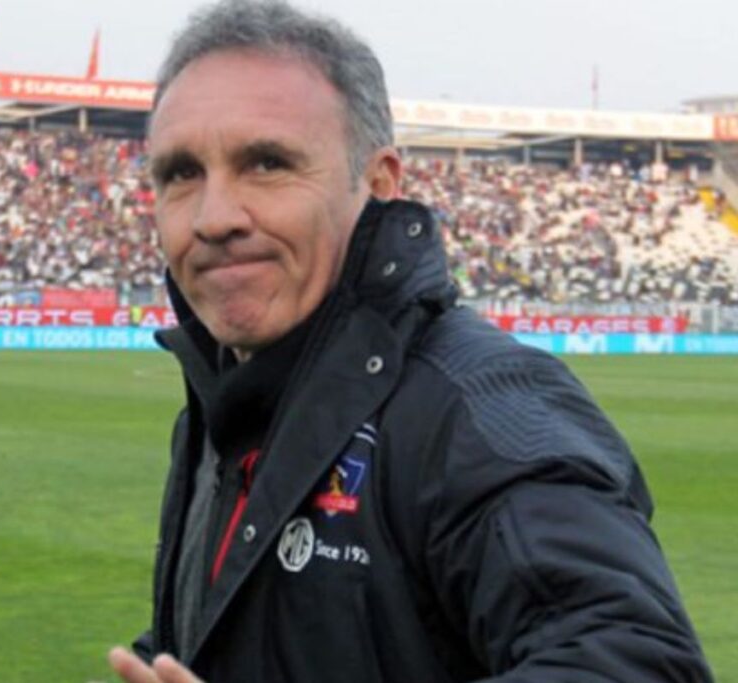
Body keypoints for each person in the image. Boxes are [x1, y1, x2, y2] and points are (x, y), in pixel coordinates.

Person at [106, 1, 713, 681]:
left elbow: (636, 662)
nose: (214, 217)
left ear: (380, 183)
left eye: (268, 163)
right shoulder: (224, 405)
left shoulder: (475, 409)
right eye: (181, 174)